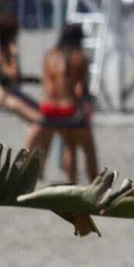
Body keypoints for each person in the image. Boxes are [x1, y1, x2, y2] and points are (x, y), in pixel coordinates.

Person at [25, 24, 98, 184]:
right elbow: (81, 89)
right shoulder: (80, 57)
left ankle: (71, 182)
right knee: (87, 147)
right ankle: (94, 183)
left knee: (69, 144)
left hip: (48, 109)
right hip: (68, 108)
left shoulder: (49, 56)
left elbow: (46, 84)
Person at [0, 15, 42, 126]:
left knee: (44, 115)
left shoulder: (2, 49)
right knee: (39, 121)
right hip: (1, 96)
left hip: (10, 92)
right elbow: (13, 75)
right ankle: (31, 144)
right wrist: (14, 55)